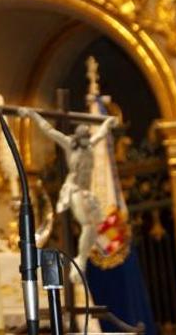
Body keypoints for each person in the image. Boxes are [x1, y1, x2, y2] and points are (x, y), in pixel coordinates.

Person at [17, 107, 116, 283]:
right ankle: (81, 260)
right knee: (87, 223)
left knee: (95, 225)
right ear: (78, 139)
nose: (87, 142)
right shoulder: (70, 145)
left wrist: (108, 123)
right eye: (84, 139)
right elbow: (49, 130)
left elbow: (101, 133)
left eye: (88, 138)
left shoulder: (90, 144)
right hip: (74, 189)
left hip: (86, 191)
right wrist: (32, 115)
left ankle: (83, 256)